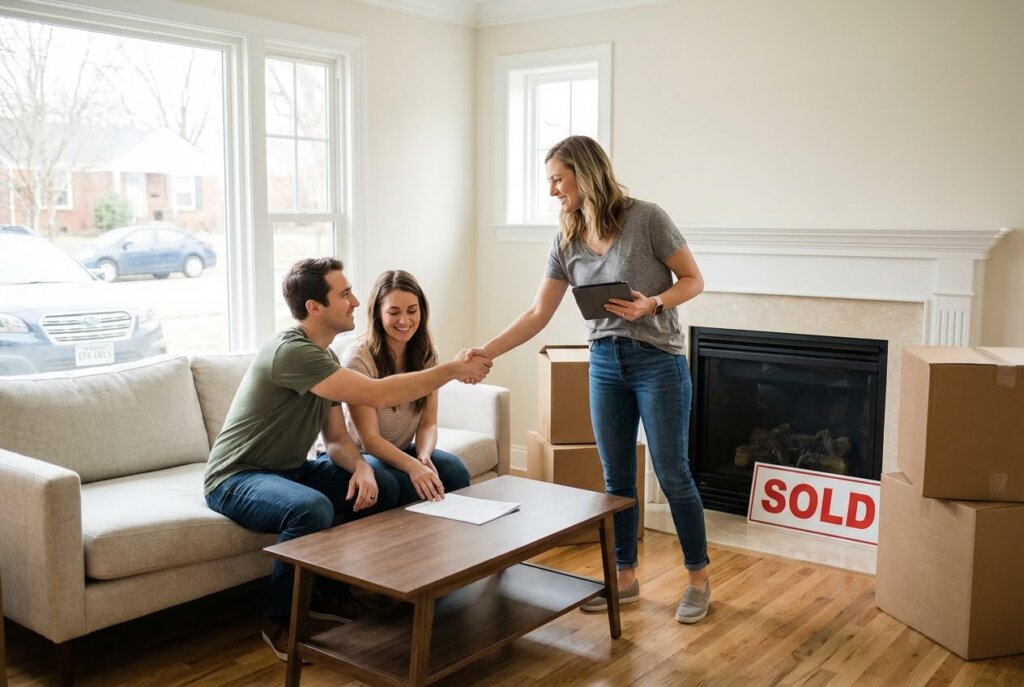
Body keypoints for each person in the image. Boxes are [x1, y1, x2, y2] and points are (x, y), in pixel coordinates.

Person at [466, 135, 711, 624]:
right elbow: (539, 312)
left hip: (658, 361)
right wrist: (486, 351)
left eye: (558, 178)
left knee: (672, 472)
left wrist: (652, 303)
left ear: (585, 172)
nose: (553, 190)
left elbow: (693, 280)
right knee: (616, 478)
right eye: (550, 181)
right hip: (603, 362)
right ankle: (625, 576)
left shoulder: (647, 218)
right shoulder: (566, 238)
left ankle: (698, 579)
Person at [203, 257, 491, 660]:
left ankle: (335, 592)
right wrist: (452, 369)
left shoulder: (323, 358)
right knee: (311, 509)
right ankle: (279, 621)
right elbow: (378, 394)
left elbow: (336, 438)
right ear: (314, 308)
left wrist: (359, 467)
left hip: (291, 470)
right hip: (237, 477)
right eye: (344, 294)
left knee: (380, 483)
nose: (356, 301)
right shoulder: (292, 353)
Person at [343, 270, 471, 505]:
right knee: (395, 484)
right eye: (394, 312)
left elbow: (428, 422)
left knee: (455, 471)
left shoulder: (427, 355)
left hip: (402, 448)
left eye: (412, 311)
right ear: (377, 314)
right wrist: (412, 466)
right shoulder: (358, 359)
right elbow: (369, 439)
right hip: (362, 454)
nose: (404, 321)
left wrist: (423, 455)